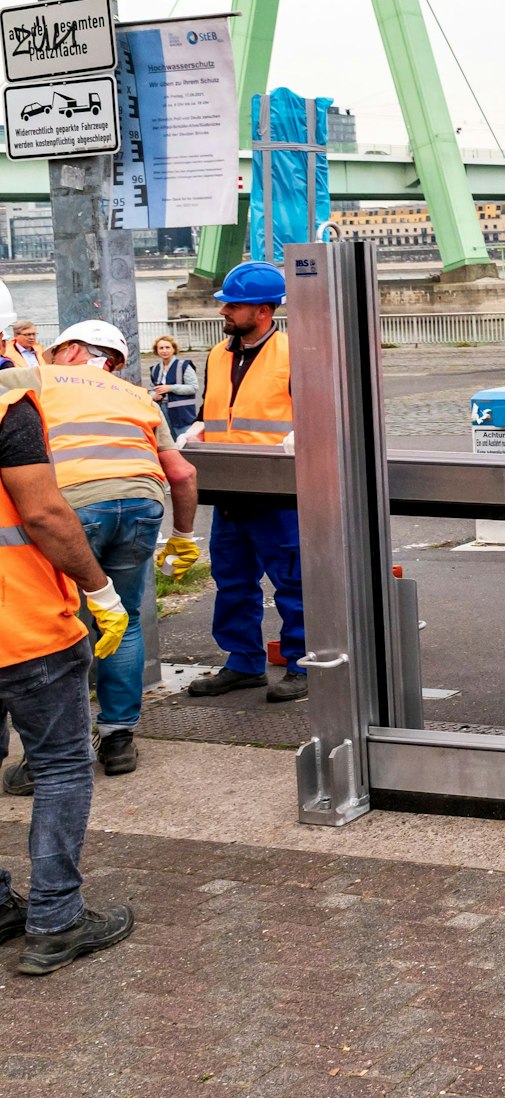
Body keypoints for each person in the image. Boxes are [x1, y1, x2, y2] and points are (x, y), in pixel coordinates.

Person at [1, 322, 199, 791]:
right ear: (115, 360)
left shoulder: (34, 379)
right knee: (124, 618)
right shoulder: (137, 396)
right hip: (141, 505)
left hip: (73, 508)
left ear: (70, 349)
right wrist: (184, 536)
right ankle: (118, 738)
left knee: (63, 622)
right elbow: (182, 473)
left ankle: (47, 756)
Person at [0, 377, 137, 974]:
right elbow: (45, 513)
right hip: (23, 626)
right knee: (60, 766)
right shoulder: (8, 408)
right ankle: (56, 920)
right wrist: (99, 589)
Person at [183, 261, 308, 704]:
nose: (224, 312)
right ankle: (243, 662)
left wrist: (300, 437)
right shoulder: (218, 355)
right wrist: (197, 430)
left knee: (293, 581)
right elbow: (213, 411)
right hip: (230, 488)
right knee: (232, 579)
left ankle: (301, 663)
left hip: (278, 490)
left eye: (233, 305)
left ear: (263, 310)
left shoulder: (295, 352)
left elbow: (312, 415)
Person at [147, 335, 203, 441]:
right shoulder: (155, 369)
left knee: (185, 442)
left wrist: (171, 388)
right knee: (169, 442)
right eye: (161, 348)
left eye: (167, 347)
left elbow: (194, 387)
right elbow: (150, 389)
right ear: (157, 350)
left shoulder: (184, 366)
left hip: (182, 414)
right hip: (162, 411)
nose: (164, 351)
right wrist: (153, 395)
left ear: (174, 349)